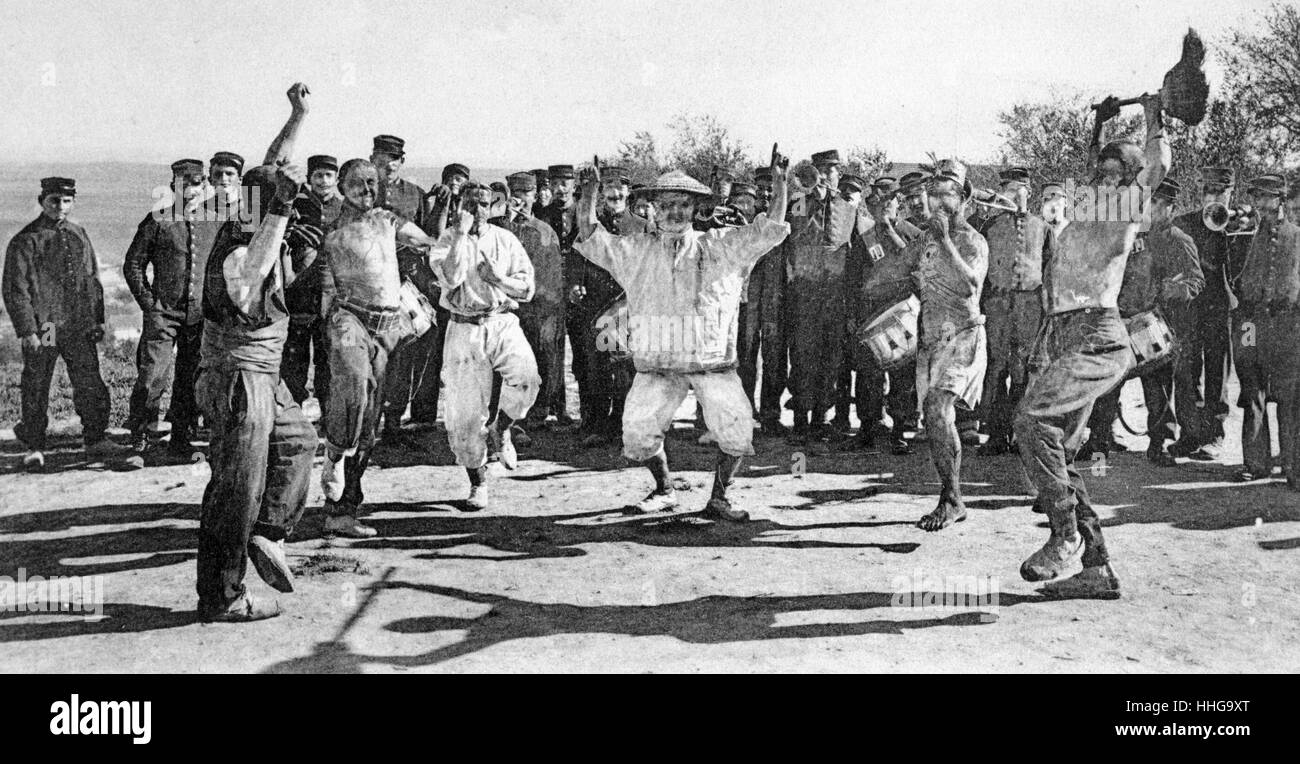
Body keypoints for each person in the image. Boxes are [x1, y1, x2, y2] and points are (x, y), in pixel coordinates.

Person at [572, 150, 791, 521]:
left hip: (712, 364)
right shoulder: (636, 250)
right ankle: (664, 489)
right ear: (652, 208)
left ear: (695, 209)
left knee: (737, 429)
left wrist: (781, 184)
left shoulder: (719, 245)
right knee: (638, 434)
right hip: (658, 366)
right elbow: (592, 235)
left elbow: (768, 229)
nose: (676, 212)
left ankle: (719, 497)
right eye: (667, 204)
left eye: (684, 205)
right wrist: (590, 193)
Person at [1014, 93, 1170, 599]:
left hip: (1100, 337)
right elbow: (1094, 165)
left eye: (1113, 173)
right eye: (1099, 172)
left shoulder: (1126, 210)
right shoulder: (1086, 208)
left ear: (1129, 178)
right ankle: (1097, 568)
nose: (1103, 178)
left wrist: (1155, 115)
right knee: (1061, 449)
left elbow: (1157, 164)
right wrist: (1100, 127)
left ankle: (1064, 535)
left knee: (1031, 421)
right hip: (1064, 335)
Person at [194, 83, 317, 622]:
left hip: (263, 372)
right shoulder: (242, 246)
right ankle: (221, 597)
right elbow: (250, 284)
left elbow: (274, 167)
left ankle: (267, 534)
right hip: (237, 375)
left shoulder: (250, 208)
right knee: (236, 487)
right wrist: (282, 211)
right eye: (280, 207)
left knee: (297, 440)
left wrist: (298, 117)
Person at [317, 158, 439, 537]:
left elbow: (424, 241)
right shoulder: (330, 226)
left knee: (370, 419)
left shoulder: (388, 220)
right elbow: (322, 287)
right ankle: (335, 453)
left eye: (372, 183)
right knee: (353, 386)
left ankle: (343, 511)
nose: (367, 189)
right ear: (341, 185)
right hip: (349, 320)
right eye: (358, 183)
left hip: (387, 327)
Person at [4, 177, 136, 472]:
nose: (60, 207)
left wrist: (97, 320)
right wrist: (27, 331)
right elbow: (15, 289)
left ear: (72, 202)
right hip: (47, 327)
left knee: (90, 381)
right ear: (42, 202)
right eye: (54, 201)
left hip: (78, 327)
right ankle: (35, 444)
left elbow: (93, 281)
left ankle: (95, 438)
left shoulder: (79, 234)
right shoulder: (26, 240)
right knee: (38, 382)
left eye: (66, 201)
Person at [428, 183, 540, 510]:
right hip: (464, 328)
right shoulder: (447, 239)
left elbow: (527, 289)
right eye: (471, 203)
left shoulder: (506, 239)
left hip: (501, 320)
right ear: (459, 205)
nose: (478, 209)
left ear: (492, 207)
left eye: (484, 204)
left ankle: (502, 429)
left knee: (527, 379)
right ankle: (478, 483)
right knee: (463, 417)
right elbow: (450, 277)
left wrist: (498, 280)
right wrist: (461, 236)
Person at [1085, 177, 1203, 465]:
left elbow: (1196, 280)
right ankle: (1098, 443)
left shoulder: (1178, 239)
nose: (1148, 208)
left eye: (1156, 203)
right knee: (1107, 388)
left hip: (1154, 322)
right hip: (1119, 319)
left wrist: (1171, 290)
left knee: (1158, 389)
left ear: (1170, 207)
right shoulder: (1128, 232)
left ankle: (1159, 444)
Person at [122, 158, 218, 461]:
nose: (191, 188)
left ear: (204, 185)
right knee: (152, 376)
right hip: (163, 315)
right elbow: (133, 265)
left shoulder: (214, 221)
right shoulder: (157, 220)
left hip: (199, 317)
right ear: (173, 184)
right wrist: (150, 305)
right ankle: (142, 438)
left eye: (197, 182)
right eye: (184, 182)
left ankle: (181, 439)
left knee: (190, 379)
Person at [912, 161, 989, 531]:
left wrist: (945, 242)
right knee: (936, 420)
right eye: (934, 193)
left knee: (937, 406)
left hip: (964, 336)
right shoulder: (924, 240)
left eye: (948, 194)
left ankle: (952, 500)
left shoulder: (972, 241)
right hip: (931, 340)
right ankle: (951, 494)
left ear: (963, 199)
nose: (939, 201)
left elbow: (970, 287)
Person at [782, 149, 873, 443]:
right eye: (820, 170)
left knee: (831, 358)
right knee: (802, 355)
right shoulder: (797, 204)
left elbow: (863, 245)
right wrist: (812, 198)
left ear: (838, 174)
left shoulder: (850, 208)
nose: (825, 175)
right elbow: (791, 236)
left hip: (835, 293)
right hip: (805, 293)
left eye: (831, 170)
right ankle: (800, 420)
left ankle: (821, 418)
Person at [976, 166, 1052, 456]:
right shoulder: (989, 226)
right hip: (997, 306)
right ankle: (996, 435)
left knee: (1025, 370)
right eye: (1006, 187)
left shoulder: (1042, 227)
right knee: (997, 368)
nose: (1011, 192)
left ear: (1028, 192)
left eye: (1017, 187)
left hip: (1030, 307)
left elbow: (1050, 269)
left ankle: (1022, 435)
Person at [1168, 167, 1243, 461]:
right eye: (1208, 191)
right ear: (1200, 193)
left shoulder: (1238, 225)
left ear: (1230, 194)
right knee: (1186, 371)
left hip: (1220, 307)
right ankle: (1190, 434)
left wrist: (1236, 228)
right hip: (1189, 307)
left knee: (1216, 372)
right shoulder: (1184, 222)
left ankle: (1214, 434)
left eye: (1219, 192)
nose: (1213, 197)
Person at [573, 165, 650, 446]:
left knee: (624, 368)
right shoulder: (591, 222)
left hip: (627, 306)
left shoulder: (642, 227)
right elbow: (578, 256)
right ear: (601, 192)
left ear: (628, 192)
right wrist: (575, 284)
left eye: (620, 187)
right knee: (594, 367)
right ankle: (595, 424)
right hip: (594, 303)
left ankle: (622, 424)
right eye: (608, 187)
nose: (615, 193)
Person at [846, 175, 923, 454]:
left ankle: (901, 430)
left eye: (888, 201)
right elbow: (853, 279)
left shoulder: (913, 234)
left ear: (897, 202)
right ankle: (867, 428)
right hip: (870, 314)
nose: (883, 207)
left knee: (903, 376)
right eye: (876, 202)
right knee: (868, 376)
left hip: (903, 314)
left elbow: (920, 272)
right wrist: (853, 313)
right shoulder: (864, 237)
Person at [1232, 174, 1300, 484]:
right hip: (1250, 321)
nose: (1260, 204)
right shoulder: (1245, 234)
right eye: (1257, 197)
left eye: (1266, 198)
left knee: (1289, 397)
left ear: (1281, 201)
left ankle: (1292, 466)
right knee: (1252, 389)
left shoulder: (1296, 236)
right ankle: (1255, 463)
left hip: (1285, 322)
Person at [491, 172, 564, 431]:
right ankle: (504, 422)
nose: (521, 198)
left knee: (538, 360)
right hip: (500, 311)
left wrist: (548, 316)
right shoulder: (496, 227)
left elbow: (553, 280)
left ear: (535, 196)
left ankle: (532, 416)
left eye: (527, 193)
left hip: (536, 310)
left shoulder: (545, 232)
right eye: (516, 193)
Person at [280, 153, 341, 409]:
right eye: (318, 175)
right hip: (299, 294)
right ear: (309, 178)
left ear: (336, 179)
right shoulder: (296, 204)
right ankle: (292, 414)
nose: (323, 181)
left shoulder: (344, 207)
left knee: (328, 360)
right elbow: (275, 231)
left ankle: (328, 416)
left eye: (328, 175)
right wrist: (291, 232)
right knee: (294, 360)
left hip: (333, 296)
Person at [539, 164, 581, 425]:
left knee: (582, 353)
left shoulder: (585, 214)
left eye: (566, 182)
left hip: (578, 291)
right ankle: (551, 407)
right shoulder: (541, 216)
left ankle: (583, 414)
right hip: (550, 292)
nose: (561, 188)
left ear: (574, 185)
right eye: (556, 183)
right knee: (550, 351)